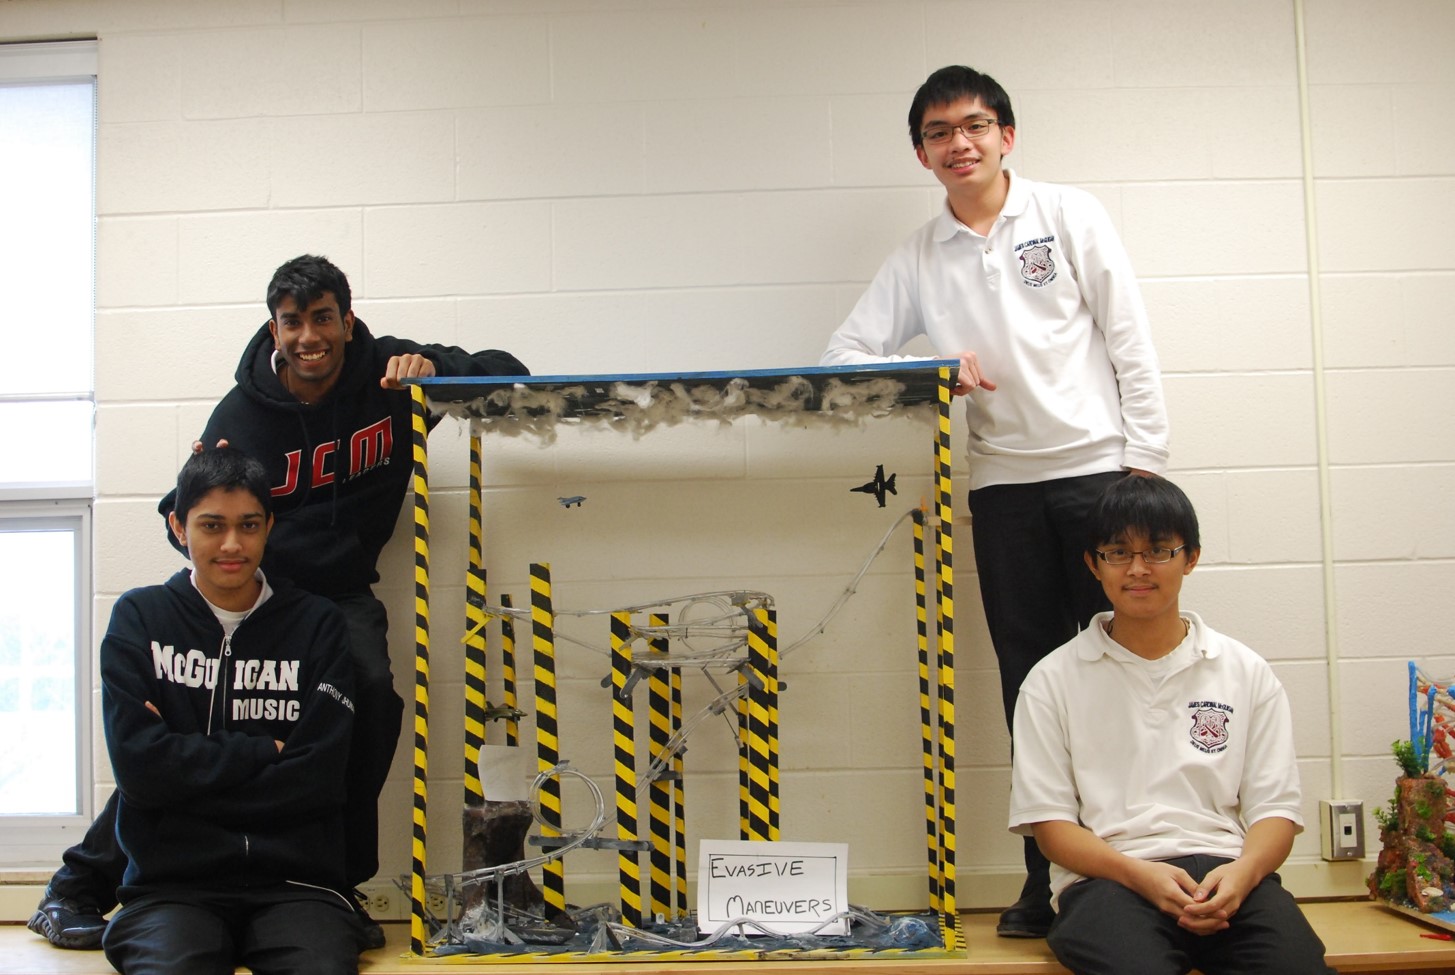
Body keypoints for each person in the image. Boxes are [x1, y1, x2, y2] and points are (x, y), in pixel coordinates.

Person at [29, 254, 529, 951]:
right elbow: (190, 514)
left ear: (347, 322)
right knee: (197, 711)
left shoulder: (384, 373)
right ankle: (77, 883)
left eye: (323, 318)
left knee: (372, 696)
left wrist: (433, 373)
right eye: (292, 322)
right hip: (264, 591)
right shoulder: (242, 415)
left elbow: (510, 372)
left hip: (344, 591)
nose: (308, 336)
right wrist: (238, 590)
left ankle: (336, 880)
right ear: (274, 329)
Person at [819, 64, 1168, 937]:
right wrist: (928, 369)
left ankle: (1140, 869)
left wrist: (1145, 469)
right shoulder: (918, 253)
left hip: (1100, 477)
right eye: (939, 133)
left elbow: (1128, 336)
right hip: (1002, 488)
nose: (959, 143)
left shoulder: (1068, 214)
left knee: (1121, 678)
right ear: (921, 152)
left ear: (1005, 135)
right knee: (1032, 688)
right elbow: (844, 353)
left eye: (974, 126)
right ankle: (1044, 880)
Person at [1008, 475, 1333, 975]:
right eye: (1118, 552)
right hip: (1108, 880)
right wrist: (1140, 876)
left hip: (1230, 875)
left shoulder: (1243, 670)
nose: (1138, 569)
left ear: (1191, 557)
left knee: (1298, 966)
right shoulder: (1050, 681)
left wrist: (1243, 875)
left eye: (1158, 550)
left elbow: (1276, 812)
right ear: (1093, 564)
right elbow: (1052, 829)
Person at [100, 446, 362, 974]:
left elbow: (318, 778)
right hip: (171, 890)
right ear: (178, 527)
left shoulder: (319, 625)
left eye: (248, 525)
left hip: (297, 887)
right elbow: (140, 771)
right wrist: (264, 750)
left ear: (269, 525)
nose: (232, 545)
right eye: (212, 525)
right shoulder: (140, 618)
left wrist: (186, 772)